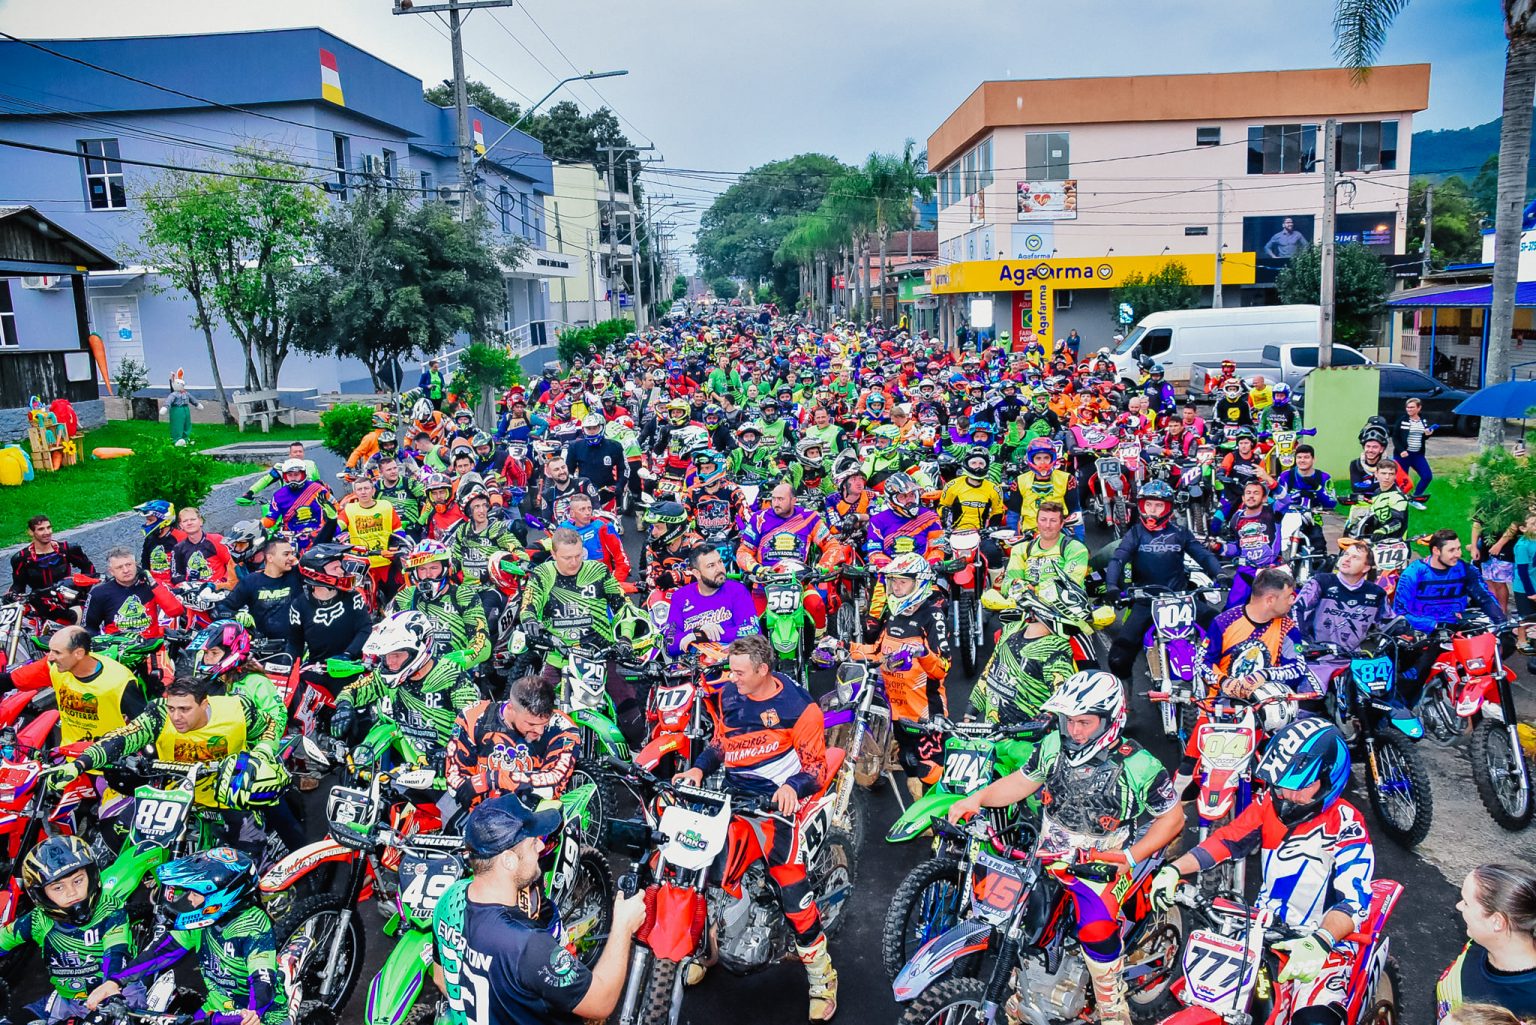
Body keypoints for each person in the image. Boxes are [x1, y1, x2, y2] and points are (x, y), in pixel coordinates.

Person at [948, 671, 1185, 1025]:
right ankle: (1028, 985)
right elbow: (1022, 782)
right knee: (1017, 918)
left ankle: (1112, 1007)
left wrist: (1128, 857)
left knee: (1096, 927)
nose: (1074, 730)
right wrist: (977, 798)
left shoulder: (1139, 764)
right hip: (1049, 853)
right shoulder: (1052, 746)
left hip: (1106, 859)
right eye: (1069, 720)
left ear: (1110, 719)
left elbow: (1174, 818)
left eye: (1084, 722)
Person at [1150, 719, 1375, 1025]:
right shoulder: (1269, 801)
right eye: (1282, 785)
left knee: (1314, 1021)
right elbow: (1227, 840)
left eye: (1300, 787)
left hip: (1324, 941)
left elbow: (1354, 901)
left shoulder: (1347, 824)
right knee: (1209, 998)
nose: (1287, 795)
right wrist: (1175, 869)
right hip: (1261, 929)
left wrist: (1321, 940)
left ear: (1329, 779)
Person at [674, 634, 838, 1020]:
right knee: (699, 869)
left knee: (793, 891)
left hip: (776, 808)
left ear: (763, 670)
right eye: (731, 671)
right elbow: (721, 743)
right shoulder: (730, 695)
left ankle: (822, 976)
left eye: (739, 673)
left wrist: (792, 787)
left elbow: (816, 767)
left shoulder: (800, 708)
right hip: (734, 798)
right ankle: (705, 949)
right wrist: (698, 769)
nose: (731, 679)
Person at [432, 794, 648, 1025]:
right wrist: (623, 926)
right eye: (532, 842)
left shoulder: (449, 899)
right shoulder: (526, 943)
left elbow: (440, 978)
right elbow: (602, 1002)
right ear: (508, 860)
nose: (541, 846)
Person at [56, 677, 285, 856]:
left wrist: (262, 752)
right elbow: (123, 738)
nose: (176, 717)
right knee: (114, 835)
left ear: (204, 704)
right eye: (172, 708)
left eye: (184, 709)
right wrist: (80, 764)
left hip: (228, 798)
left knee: (248, 854)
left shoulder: (238, 709)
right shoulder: (158, 714)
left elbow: (270, 726)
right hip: (172, 798)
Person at [87, 848, 289, 1025]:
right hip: (216, 1008)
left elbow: (262, 979)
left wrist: (253, 1013)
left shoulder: (253, 925)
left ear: (221, 898)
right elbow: (160, 952)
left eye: (195, 894)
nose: (189, 899)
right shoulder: (202, 922)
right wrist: (115, 981)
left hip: (262, 1016)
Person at [0, 835, 155, 1023]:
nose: (72, 892)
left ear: (91, 876)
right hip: (67, 999)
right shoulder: (37, 920)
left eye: (78, 880)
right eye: (58, 888)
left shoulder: (110, 910)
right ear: (41, 895)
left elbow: (116, 952)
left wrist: (110, 986)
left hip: (117, 994)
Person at [520, 530, 642, 740]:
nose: (574, 562)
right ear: (554, 554)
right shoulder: (542, 574)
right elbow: (528, 605)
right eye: (567, 557)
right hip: (560, 656)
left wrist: (625, 638)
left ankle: (633, 752)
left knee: (631, 715)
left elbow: (624, 607)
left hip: (601, 653)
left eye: (579, 555)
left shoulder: (598, 570)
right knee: (536, 713)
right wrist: (530, 620)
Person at [1104, 481, 1223, 681]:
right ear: (1141, 506)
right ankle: (1125, 692)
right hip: (1146, 600)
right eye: (1149, 505)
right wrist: (1112, 587)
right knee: (1118, 658)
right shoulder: (1135, 533)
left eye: (1159, 505)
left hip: (1180, 598)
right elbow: (1118, 559)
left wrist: (1219, 574)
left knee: (1221, 628)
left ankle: (1220, 679)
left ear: (1168, 508)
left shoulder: (1180, 532)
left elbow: (1203, 555)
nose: (1152, 510)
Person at [332, 611, 480, 763]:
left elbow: (472, 727)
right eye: (386, 656)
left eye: (396, 655)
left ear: (420, 647)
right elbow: (352, 689)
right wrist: (343, 706)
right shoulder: (385, 675)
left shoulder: (453, 676)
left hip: (448, 768)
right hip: (405, 767)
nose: (390, 662)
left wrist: (449, 753)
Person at [447, 673, 582, 812]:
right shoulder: (473, 717)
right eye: (531, 724)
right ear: (511, 708)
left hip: (536, 816)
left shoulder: (562, 727)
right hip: (481, 813)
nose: (540, 731)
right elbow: (455, 777)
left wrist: (493, 779)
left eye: (544, 723)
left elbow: (554, 782)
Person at [1, 625, 145, 744]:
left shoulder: (120, 681)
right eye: (50, 651)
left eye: (57, 652)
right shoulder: (54, 667)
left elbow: (146, 726)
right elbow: (10, 680)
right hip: (69, 757)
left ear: (78, 653)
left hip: (110, 760)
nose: (50, 657)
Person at [1438, 862, 1536, 1022]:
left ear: (1497, 922)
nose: (1458, 906)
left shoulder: (1531, 996)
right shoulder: (1480, 943)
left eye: (1466, 903)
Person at [393, 539, 491, 668]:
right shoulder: (405, 597)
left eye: (434, 568)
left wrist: (461, 661)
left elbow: (483, 643)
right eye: (422, 569)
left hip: (454, 670)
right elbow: (393, 640)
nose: (428, 574)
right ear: (415, 572)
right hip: (415, 671)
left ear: (446, 569)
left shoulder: (464, 596)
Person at [664, 545, 761, 658]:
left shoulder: (737, 590)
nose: (719, 569)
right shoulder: (680, 597)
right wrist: (695, 632)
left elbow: (753, 630)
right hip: (692, 665)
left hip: (730, 663)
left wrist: (704, 636)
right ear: (697, 573)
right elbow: (669, 644)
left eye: (720, 562)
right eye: (711, 566)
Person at [212, 536, 301, 644]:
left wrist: (300, 564)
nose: (291, 558)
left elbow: (317, 550)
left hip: (297, 644)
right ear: (270, 558)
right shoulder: (250, 581)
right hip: (263, 647)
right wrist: (237, 616)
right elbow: (221, 610)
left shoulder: (297, 575)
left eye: (292, 553)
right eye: (286, 554)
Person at [83, 547, 186, 637]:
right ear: (111, 571)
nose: (126, 570)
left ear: (136, 565)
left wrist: (153, 583)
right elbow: (88, 628)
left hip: (151, 646)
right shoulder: (99, 593)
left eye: (129, 565)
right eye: (119, 567)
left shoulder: (152, 584)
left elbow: (176, 611)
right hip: (118, 648)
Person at [7, 515, 95, 599]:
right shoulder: (22, 558)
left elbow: (89, 568)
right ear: (31, 532)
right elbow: (18, 585)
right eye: (41, 529)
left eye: (49, 527)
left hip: (68, 599)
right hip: (39, 603)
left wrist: (81, 591)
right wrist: (12, 597)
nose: (47, 532)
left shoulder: (66, 549)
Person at [558, 493, 630, 582]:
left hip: (600, 580)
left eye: (589, 508)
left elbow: (622, 560)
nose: (588, 513)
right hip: (572, 581)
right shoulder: (563, 528)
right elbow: (557, 558)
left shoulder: (603, 526)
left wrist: (613, 584)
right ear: (572, 513)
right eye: (582, 509)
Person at [170, 507, 235, 589]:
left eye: (193, 519)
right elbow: (175, 576)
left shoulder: (217, 540)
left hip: (219, 589)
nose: (189, 523)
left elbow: (233, 563)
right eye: (185, 521)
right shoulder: (178, 548)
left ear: (201, 521)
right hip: (193, 591)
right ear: (181, 525)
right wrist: (188, 580)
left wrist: (223, 582)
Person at [134, 500, 184, 584]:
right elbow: (145, 563)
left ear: (164, 520)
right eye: (147, 520)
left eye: (150, 520)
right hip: (154, 584)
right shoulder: (150, 539)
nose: (147, 524)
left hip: (176, 585)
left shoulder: (180, 538)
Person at [160, 372, 203, 445]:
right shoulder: (174, 395)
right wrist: (165, 407)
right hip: (177, 409)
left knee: (187, 423)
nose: (182, 385)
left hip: (186, 409)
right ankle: (177, 439)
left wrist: (197, 404)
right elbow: (169, 401)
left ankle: (186, 438)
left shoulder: (186, 393)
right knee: (177, 424)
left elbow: (192, 399)